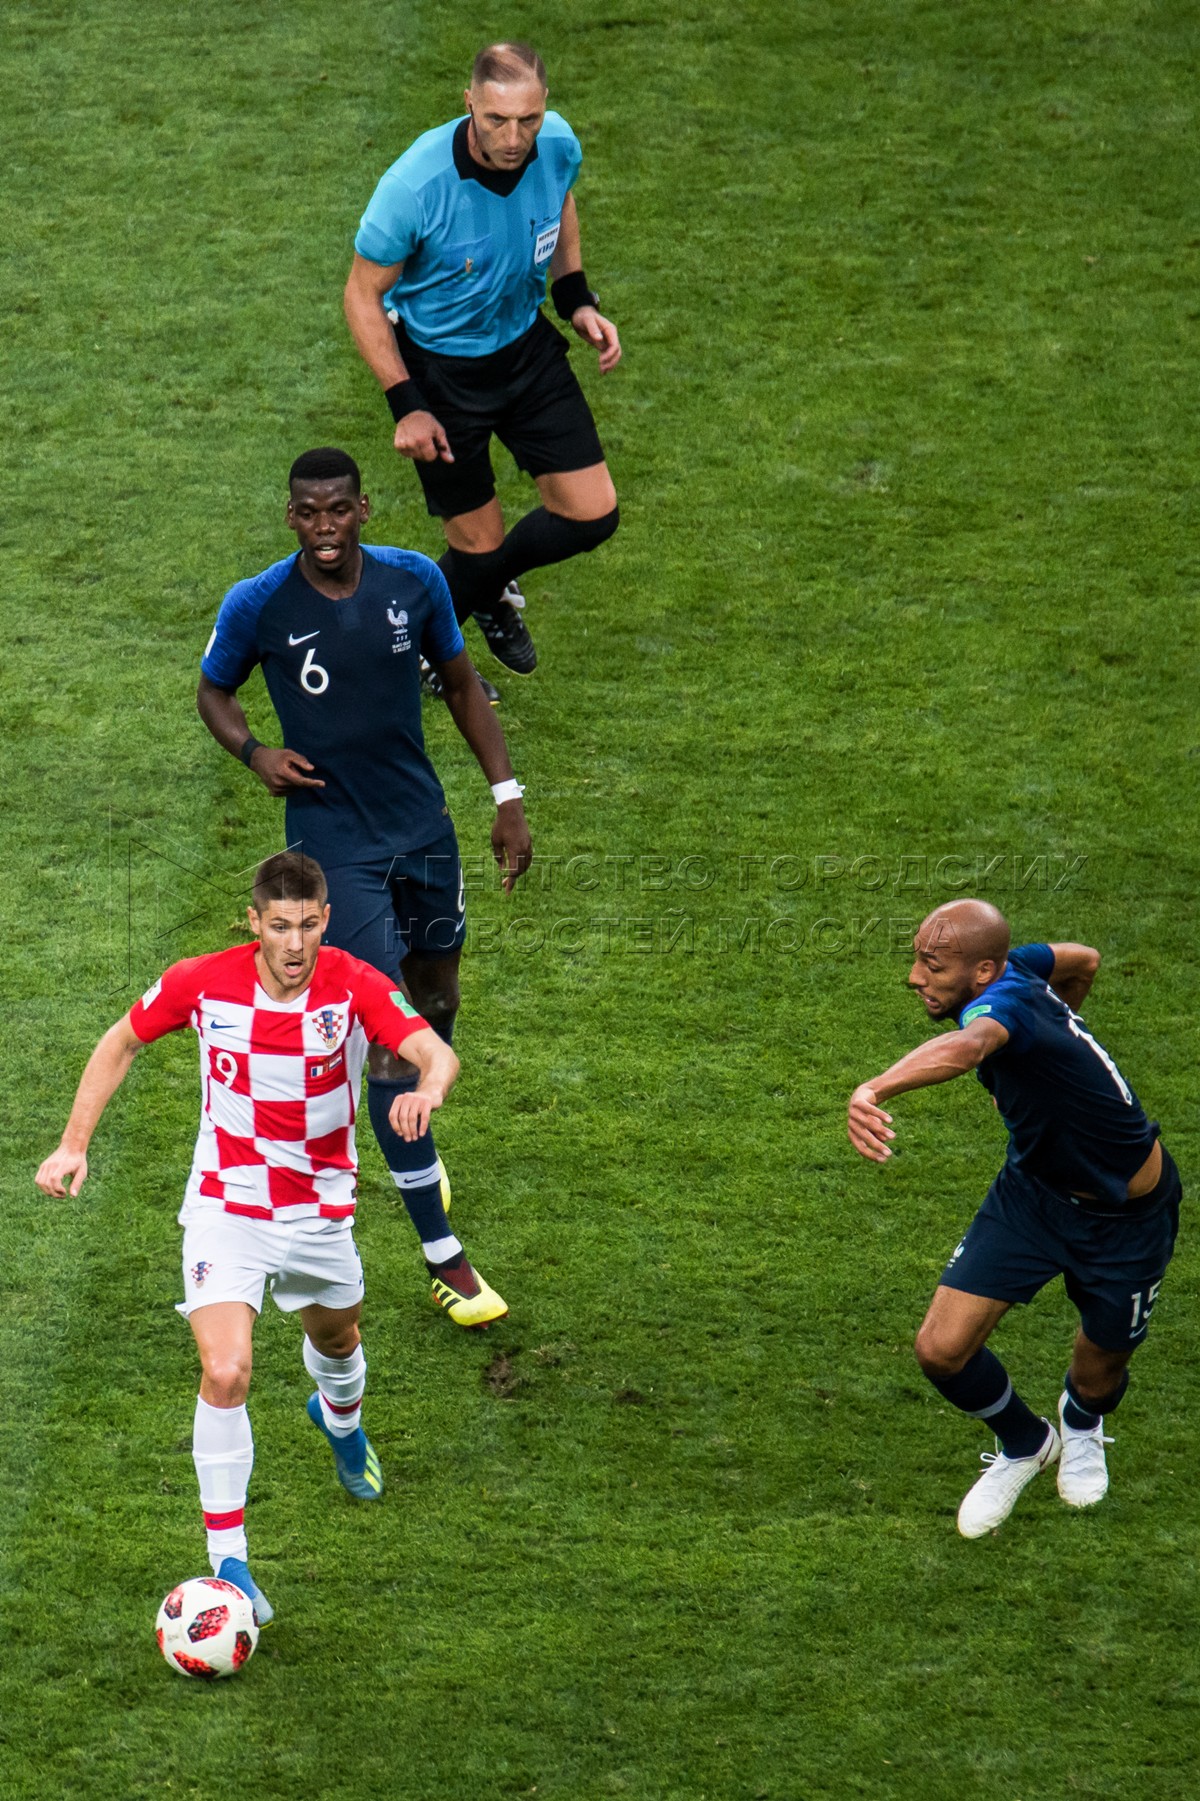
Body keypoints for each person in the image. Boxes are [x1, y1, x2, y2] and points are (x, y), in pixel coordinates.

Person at [35, 851, 460, 1623]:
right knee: (226, 1370)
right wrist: (73, 1144)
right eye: (279, 925)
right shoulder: (202, 980)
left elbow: (434, 1049)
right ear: (254, 921)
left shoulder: (357, 984)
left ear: (325, 921)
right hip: (226, 1209)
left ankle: (341, 1422)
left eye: (308, 926)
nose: (294, 944)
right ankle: (230, 1562)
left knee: (338, 1340)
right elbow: (121, 1039)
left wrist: (427, 1088)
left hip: (320, 1214)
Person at [196, 446, 530, 1330]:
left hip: (423, 828)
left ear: (363, 508)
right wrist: (255, 752)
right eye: (308, 512)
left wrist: (507, 799)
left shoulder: (414, 582)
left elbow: (461, 684)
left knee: (437, 995)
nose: (324, 526)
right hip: (334, 844)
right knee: (388, 1032)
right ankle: (443, 1255)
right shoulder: (259, 603)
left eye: (338, 509)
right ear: (290, 517)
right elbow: (213, 691)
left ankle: (411, 1127)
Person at [847, 899, 1182, 1539]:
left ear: (983, 972)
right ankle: (1027, 1443)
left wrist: (874, 1089)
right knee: (941, 1351)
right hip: (1031, 1195)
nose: (915, 978)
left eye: (932, 966)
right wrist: (1053, 1051)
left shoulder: (1000, 1009)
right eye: (919, 960)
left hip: (1127, 1221)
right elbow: (1084, 961)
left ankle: (1081, 1424)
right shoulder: (1020, 967)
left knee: (1099, 1375)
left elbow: (970, 1046)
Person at [343, 40, 620, 692]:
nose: (514, 138)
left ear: (544, 108)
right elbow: (360, 295)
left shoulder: (557, 145)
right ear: (468, 102)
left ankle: (483, 586)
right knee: (478, 544)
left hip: (525, 351)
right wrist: (406, 403)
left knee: (593, 514)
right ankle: (420, 651)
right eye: (497, 119)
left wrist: (575, 296)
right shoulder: (414, 187)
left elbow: (559, 199)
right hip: (441, 375)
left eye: (528, 119)